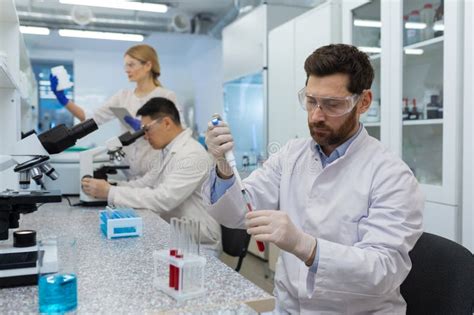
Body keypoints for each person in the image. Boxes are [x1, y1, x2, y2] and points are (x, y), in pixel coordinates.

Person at [204, 44, 423, 313]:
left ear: (363, 102)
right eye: (311, 101)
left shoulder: (391, 175)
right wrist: (223, 167)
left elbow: (383, 271)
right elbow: (237, 213)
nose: (316, 115)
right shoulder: (291, 155)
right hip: (288, 307)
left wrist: (305, 246)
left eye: (332, 105)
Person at [81, 97, 222, 254]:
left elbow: (164, 199)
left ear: (167, 123)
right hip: (174, 235)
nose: (145, 137)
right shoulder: (167, 151)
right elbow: (146, 183)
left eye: (146, 129)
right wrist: (112, 186)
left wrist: (109, 192)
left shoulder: (192, 154)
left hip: (198, 243)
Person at [50, 44, 181, 180]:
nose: (126, 70)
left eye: (131, 65)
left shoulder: (166, 96)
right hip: (129, 172)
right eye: (125, 66)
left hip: (158, 172)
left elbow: (177, 131)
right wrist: (63, 99)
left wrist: (147, 128)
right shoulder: (122, 97)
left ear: (148, 65)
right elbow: (90, 118)